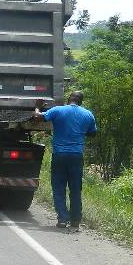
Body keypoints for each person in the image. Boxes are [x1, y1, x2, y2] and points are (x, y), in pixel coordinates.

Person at [34, 91, 97, 232]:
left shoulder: (57, 110)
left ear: (69, 99)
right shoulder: (88, 115)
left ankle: (62, 218)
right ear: (81, 101)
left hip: (60, 155)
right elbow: (93, 133)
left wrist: (38, 107)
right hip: (76, 156)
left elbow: (37, 117)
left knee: (58, 187)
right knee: (75, 189)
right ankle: (75, 221)